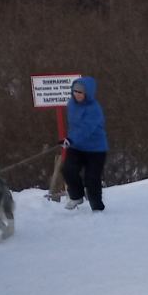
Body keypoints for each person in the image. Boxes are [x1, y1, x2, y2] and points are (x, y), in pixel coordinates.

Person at [63, 76, 108, 212]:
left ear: (87, 93)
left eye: (80, 92)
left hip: (96, 149)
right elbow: (74, 126)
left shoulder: (94, 109)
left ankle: (97, 207)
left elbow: (86, 128)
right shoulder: (71, 105)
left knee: (92, 179)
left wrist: (72, 139)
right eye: (75, 91)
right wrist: (69, 139)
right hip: (77, 147)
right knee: (68, 170)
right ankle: (76, 196)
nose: (77, 94)